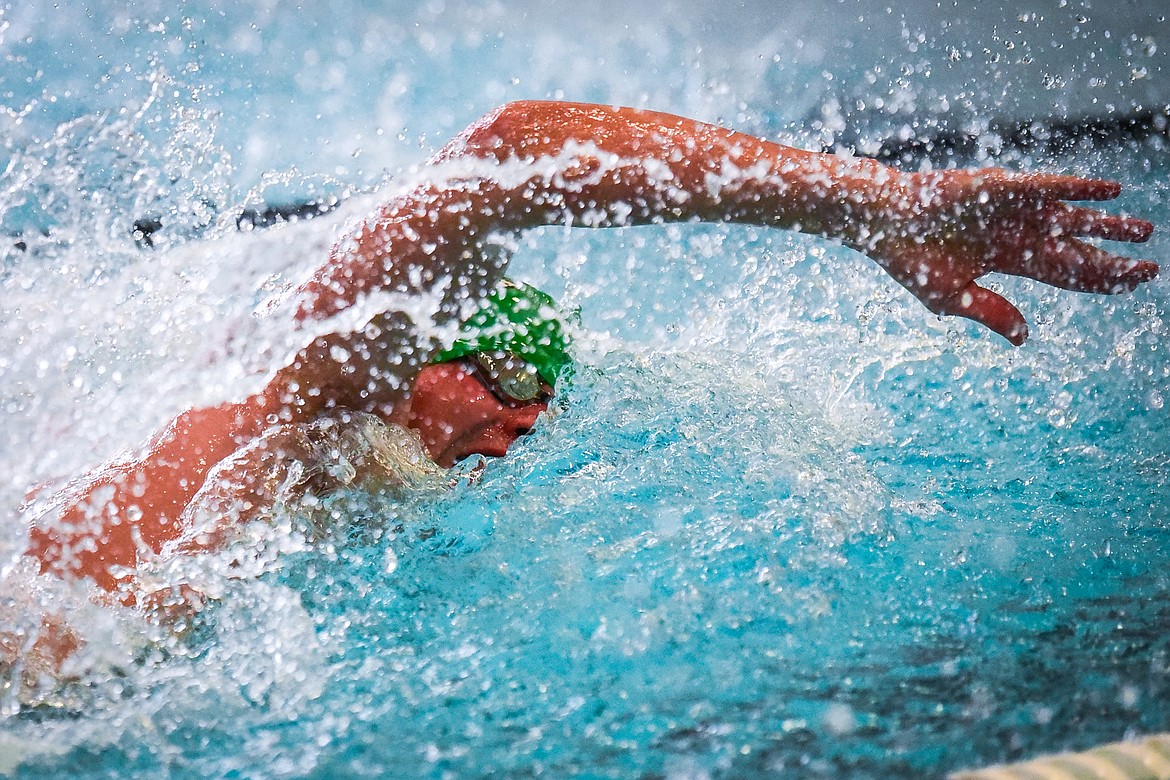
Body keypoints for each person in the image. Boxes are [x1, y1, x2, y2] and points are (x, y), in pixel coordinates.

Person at [8, 100, 1158, 688]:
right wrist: (873, 206)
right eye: (502, 385)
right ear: (417, 352)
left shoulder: (339, 464)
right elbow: (505, 154)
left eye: (536, 408)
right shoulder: (324, 361)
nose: (516, 431)